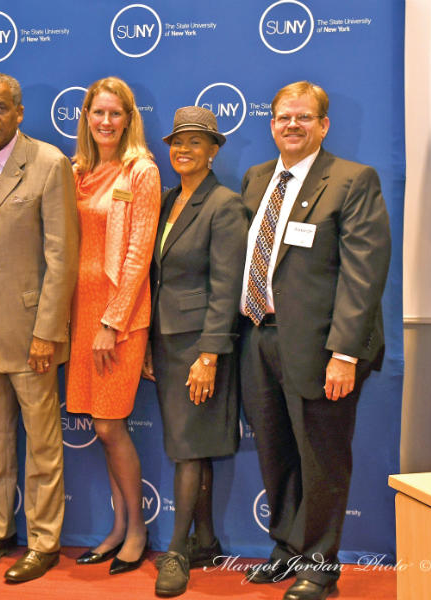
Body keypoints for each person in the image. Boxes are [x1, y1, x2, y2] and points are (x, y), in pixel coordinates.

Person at [238, 81, 390, 600]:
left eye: (304, 118)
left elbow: (363, 276)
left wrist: (344, 354)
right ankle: (286, 548)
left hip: (323, 350)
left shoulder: (351, 181)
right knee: (275, 452)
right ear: (271, 123)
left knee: (321, 456)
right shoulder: (257, 179)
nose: (292, 126)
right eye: (283, 118)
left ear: (323, 125)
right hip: (259, 339)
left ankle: (321, 563)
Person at [0, 73, 78, 583]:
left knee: (43, 443)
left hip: (32, 334)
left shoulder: (49, 163)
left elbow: (61, 256)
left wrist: (48, 332)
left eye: (1, 108)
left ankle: (44, 541)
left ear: (20, 112)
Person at [142, 107, 247, 596]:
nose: (182, 150)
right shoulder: (167, 201)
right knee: (193, 444)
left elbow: (227, 288)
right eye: (177, 142)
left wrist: (209, 355)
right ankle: (206, 540)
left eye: (195, 143)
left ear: (213, 151)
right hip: (165, 342)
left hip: (198, 347)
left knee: (187, 449)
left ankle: (177, 551)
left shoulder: (224, 205)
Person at [67, 76, 161, 575]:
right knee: (104, 429)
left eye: (114, 114)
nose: (105, 122)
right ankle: (118, 526)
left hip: (117, 319)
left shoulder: (140, 171)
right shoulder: (79, 171)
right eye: (97, 113)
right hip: (82, 315)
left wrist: (112, 322)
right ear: (87, 117)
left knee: (109, 424)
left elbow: (137, 255)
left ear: (129, 118)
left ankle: (138, 530)